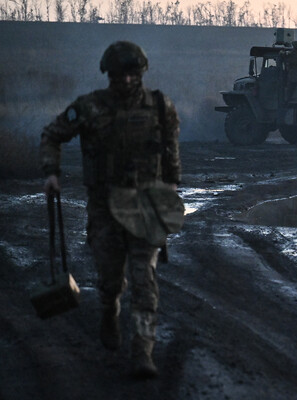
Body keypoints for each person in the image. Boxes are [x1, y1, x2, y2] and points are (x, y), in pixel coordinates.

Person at [40, 41, 182, 379]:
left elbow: (171, 151)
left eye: (133, 74)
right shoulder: (90, 107)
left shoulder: (160, 106)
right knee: (109, 279)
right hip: (104, 208)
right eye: (120, 75)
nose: (127, 81)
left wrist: (171, 189)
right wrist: (51, 173)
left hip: (145, 207)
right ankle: (109, 310)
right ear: (109, 75)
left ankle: (143, 350)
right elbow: (52, 135)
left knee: (144, 282)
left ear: (141, 73)